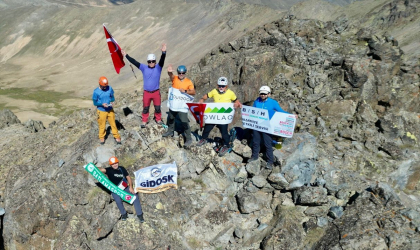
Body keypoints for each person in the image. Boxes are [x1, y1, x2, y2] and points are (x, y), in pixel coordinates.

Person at [122, 44, 166, 128]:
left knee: (157, 107)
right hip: (147, 92)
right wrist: (126, 55)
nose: (151, 63)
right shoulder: (144, 68)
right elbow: (134, 62)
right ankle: (144, 121)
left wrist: (164, 52)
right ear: (147, 62)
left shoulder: (158, 67)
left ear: (155, 61)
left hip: (156, 92)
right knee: (146, 107)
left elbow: (162, 60)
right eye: (149, 61)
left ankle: (158, 119)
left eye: (153, 61)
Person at [197, 77, 242, 156]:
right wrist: (201, 99)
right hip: (214, 114)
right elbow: (206, 96)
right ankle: (203, 139)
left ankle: (226, 145)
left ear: (226, 86)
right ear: (217, 85)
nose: (221, 87)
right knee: (207, 127)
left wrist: (237, 104)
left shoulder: (230, 93)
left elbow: (236, 101)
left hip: (223, 117)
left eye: (223, 86)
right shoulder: (214, 91)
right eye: (220, 86)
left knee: (224, 132)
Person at [248, 86, 289, 169]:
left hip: (268, 126)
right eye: (261, 93)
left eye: (264, 94)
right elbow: (253, 110)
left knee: (268, 144)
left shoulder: (273, 102)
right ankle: (254, 156)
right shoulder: (257, 101)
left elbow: (280, 111)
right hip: (257, 125)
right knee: (256, 141)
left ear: (269, 94)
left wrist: (291, 116)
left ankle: (270, 161)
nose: (262, 95)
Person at [99, 156, 145, 223]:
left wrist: (131, 187)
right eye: (113, 164)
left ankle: (139, 214)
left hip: (124, 187)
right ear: (110, 165)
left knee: (135, 196)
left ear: (118, 162)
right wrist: (92, 166)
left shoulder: (122, 168)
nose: (115, 165)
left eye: (116, 163)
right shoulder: (108, 170)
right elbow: (100, 170)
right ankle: (124, 214)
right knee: (118, 200)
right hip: (115, 189)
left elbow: (128, 178)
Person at [162, 65, 196, 147]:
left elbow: (193, 92)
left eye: (183, 73)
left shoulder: (188, 82)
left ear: (185, 73)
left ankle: (188, 138)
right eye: (179, 73)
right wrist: (169, 72)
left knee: (184, 121)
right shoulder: (175, 78)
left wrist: (185, 91)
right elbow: (171, 76)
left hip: (182, 106)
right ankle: (170, 131)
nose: (181, 74)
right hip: (174, 104)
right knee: (171, 117)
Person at [92, 76, 121, 145]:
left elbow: (112, 97)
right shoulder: (96, 92)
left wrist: (112, 101)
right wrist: (102, 104)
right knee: (102, 125)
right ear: (100, 84)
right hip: (101, 111)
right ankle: (102, 137)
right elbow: (95, 103)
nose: (105, 88)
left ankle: (116, 136)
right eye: (103, 86)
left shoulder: (109, 88)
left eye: (105, 86)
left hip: (110, 109)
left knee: (113, 123)